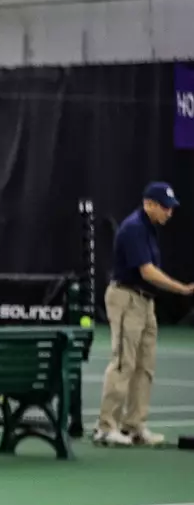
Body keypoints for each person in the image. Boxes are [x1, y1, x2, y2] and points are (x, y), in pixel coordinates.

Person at [94, 181, 191, 446]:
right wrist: (181, 289)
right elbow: (146, 271)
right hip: (126, 298)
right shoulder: (134, 228)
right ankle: (106, 427)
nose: (169, 213)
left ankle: (135, 425)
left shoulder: (150, 228)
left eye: (170, 208)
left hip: (146, 302)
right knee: (125, 361)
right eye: (164, 207)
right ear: (149, 204)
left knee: (145, 364)